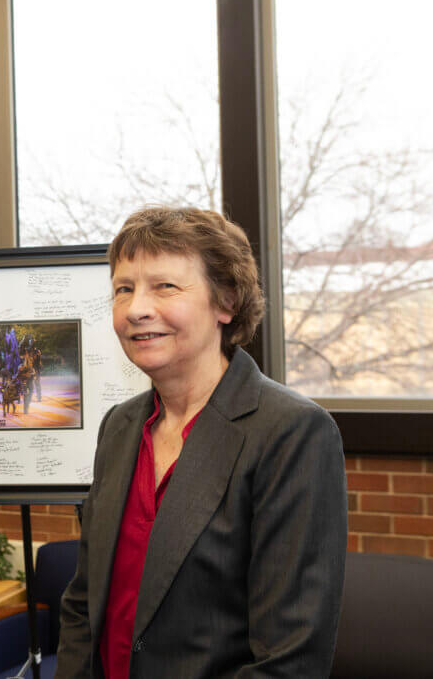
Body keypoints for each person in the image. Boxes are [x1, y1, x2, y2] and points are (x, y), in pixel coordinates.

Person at [56, 207, 347, 678]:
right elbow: (82, 605)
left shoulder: (291, 434)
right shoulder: (119, 427)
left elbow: (290, 661)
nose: (135, 309)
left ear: (225, 302)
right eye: (123, 289)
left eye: (164, 286)